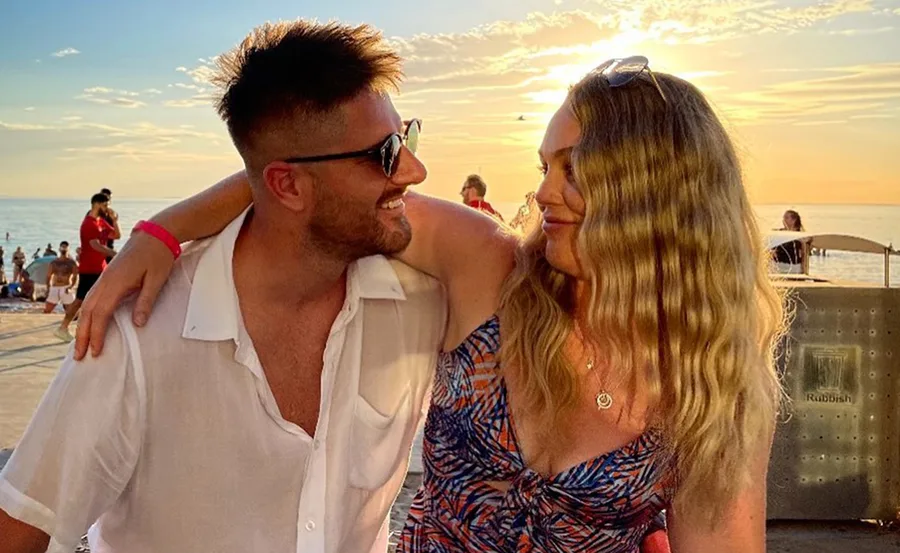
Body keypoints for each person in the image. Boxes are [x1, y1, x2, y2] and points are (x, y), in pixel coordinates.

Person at [68, 57, 785, 552]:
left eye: (574, 169)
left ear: (656, 192)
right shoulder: (493, 269)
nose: (541, 193)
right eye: (544, 166)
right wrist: (162, 233)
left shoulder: (715, 385)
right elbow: (323, 183)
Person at [0, 20, 449, 553]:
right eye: (387, 152)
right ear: (287, 185)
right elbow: (23, 528)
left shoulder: (423, 296)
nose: (414, 170)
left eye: (408, 136)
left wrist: (163, 227)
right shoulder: (138, 334)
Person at [54, 193, 120, 341]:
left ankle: (84, 328)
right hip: (90, 268)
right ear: (97, 204)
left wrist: (115, 221)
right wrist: (114, 253)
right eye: (105, 204)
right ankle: (63, 328)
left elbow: (116, 235)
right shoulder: (88, 224)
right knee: (80, 300)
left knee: (96, 298)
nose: (107, 207)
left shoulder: (100, 221)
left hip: (100, 267)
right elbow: (94, 245)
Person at [44, 241, 78, 313]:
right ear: (59, 249)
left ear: (68, 249)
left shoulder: (72, 263)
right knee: (47, 310)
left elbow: (75, 276)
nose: (63, 249)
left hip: (66, 287)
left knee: (71, 311)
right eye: (62, 247)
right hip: (55, 287)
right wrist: (48, 288)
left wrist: (71, 287)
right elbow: (48, 276)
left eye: (65, 247)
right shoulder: (54, 262)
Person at [772, 209, 806, 274]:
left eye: (786, 218)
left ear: (794, 220)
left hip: (794, 266)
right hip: (778, 265)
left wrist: (803, 269)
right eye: (783, 217)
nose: (783, 220)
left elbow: (804, 253)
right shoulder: (778, 232)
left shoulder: (800, 235)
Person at [99, 188, 117, 262]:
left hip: (109, 247)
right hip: (97, 247)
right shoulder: (93, 213)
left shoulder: (112, 214)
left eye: (108, 198)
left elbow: (116, 234)